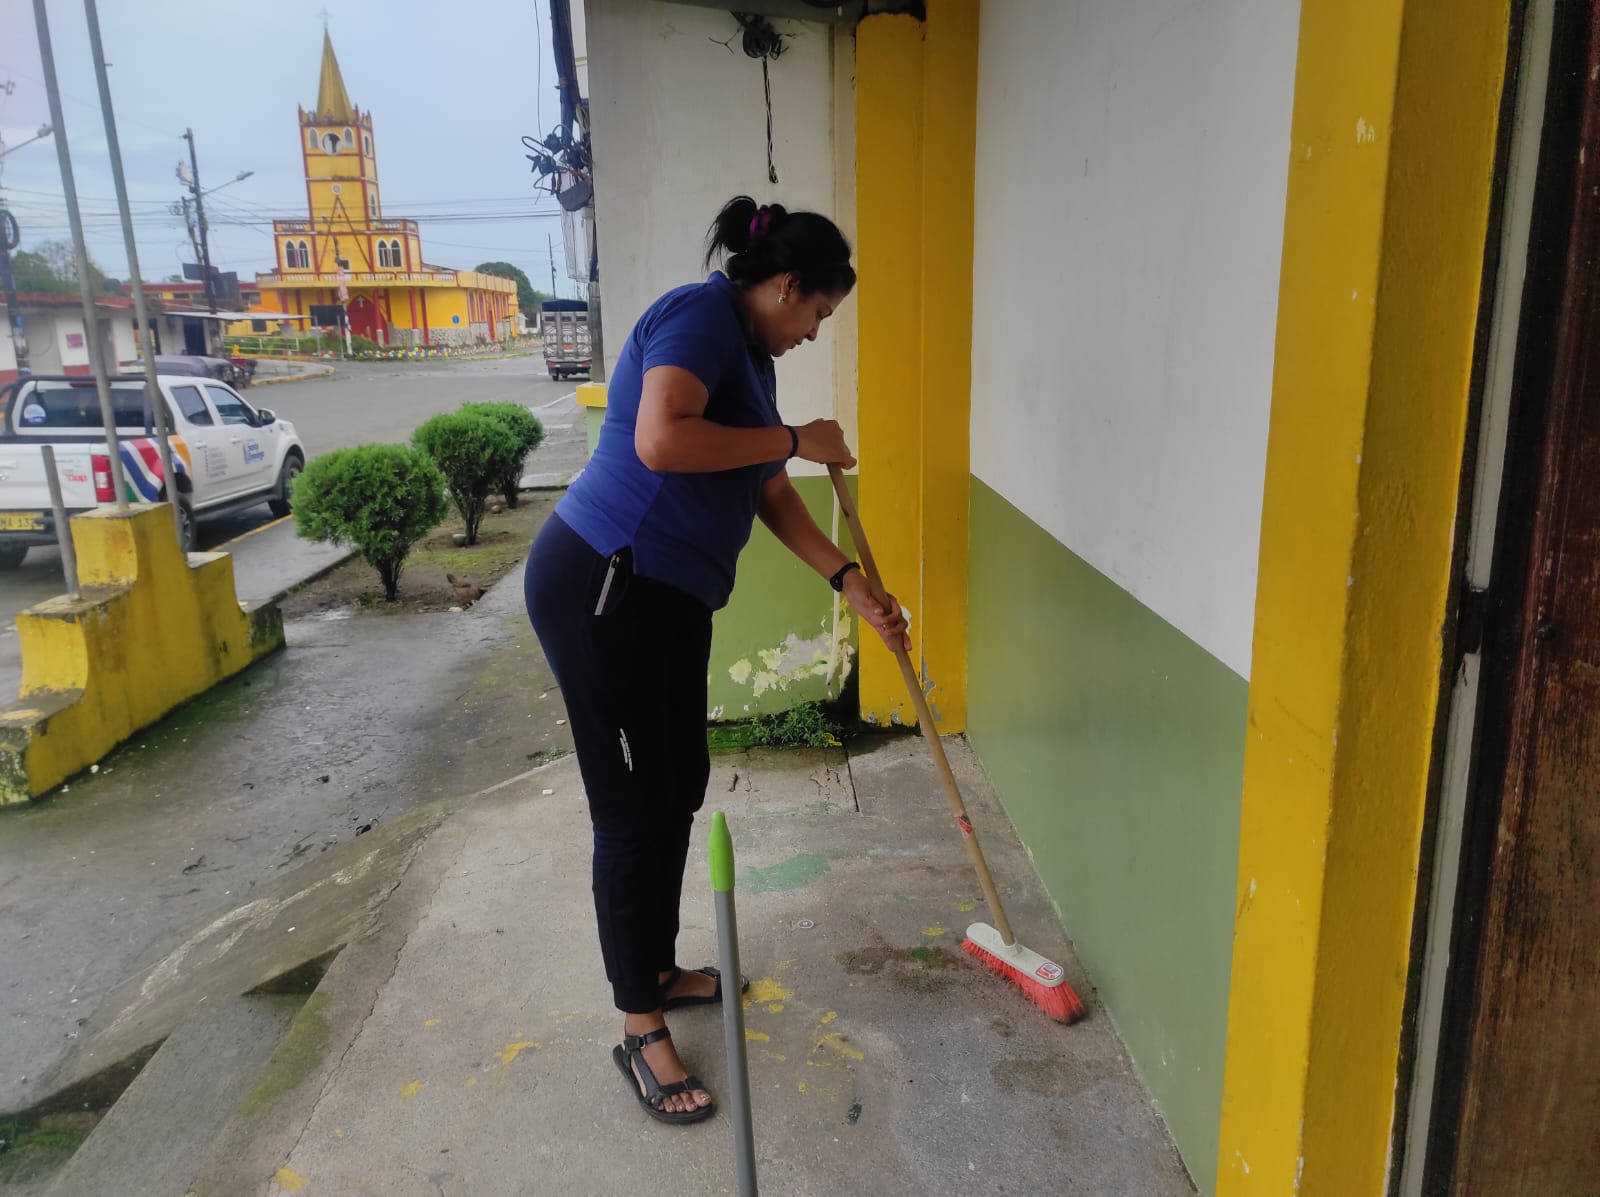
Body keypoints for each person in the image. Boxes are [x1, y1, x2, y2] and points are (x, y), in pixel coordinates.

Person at [523, 196, 908, 1124]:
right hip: (604, 581)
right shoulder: (700, 316)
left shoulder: (750, 355)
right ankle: (638, 1023)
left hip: (668, 596)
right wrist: (797, 437)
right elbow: (662, 438)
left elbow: (767, 490)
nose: (815, 332)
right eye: (818, 312)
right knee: (631, 807)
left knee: (676, 783)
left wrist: (848, 579)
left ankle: (654, 964)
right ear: (785, 285)